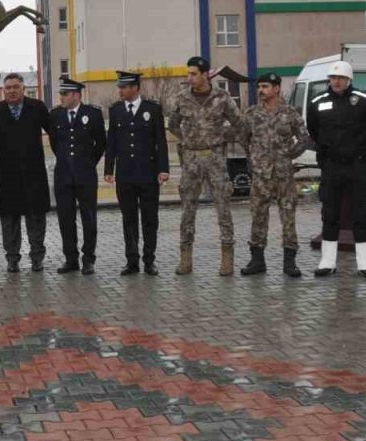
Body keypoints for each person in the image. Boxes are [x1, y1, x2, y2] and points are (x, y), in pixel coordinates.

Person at [166, 56, 244, 276]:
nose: (189, 77)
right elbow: (172, 124)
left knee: (223, 208)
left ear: (205, 75)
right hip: (191, 162)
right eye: (188, 73)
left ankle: (227, 258)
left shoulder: (222, 98)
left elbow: (240, 124)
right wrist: (188, 140)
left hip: (216, 161)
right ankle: (185, 259)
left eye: (193, 74)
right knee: (187, 210)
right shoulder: (181, 98)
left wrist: (221, 135)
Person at [305, 61, 366, 278]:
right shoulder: (318, 102)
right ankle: (327, 262)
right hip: (332, 166)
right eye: (333, 78)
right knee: (330, 213)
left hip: (358, 165)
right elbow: (314, 130)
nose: (336, 82)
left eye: (340, 78)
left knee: (361, 213)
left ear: (349, 79)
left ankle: (364, 263)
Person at [240, 73, 309, 278]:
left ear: (277, 89)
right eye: (259, 86)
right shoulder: (251, 114)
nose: (261, 90)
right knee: (258, 217)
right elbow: (244, 138)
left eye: (265, 86)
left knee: (288, 217)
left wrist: (289, 155)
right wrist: (254, 158)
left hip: (283, 175)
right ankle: (257, 260)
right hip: (261, 176)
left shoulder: (291, 113)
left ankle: (289, 263)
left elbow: (304, 138)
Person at [104, 70, 170, 275]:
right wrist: (109, 169)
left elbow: (160, 141)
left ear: (135, 88)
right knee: (129, 219)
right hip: (125, 175)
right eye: (119, 87)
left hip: (148, 174)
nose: (120, 91)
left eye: (123, 87)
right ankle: (132, 261)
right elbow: (112, 143)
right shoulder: (115, 111)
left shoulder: (152, 109)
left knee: (150, 219)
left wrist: (163, 169)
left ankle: (149, 261)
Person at [0, 72, 51, 272]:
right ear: (3, 90)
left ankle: (37, 258)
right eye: (8, 88)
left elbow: (54, 132)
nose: (12, 91)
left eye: (16, 87)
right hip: (8, 176)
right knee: (9, 221)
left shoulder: (37, 107)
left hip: (33, 174)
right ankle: (12, 259)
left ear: (23, 88)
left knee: (36, 219)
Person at [47, 76, 105, 275]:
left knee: (89, 218)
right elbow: (55, 143)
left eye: (65, 94)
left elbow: (101, 143)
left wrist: (88, 163)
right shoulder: (56, 115)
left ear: (76, 95)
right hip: (63, 176)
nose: (62, 97)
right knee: (65, 218)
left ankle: (88, 259)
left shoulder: (93, 114)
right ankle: (70, 258)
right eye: (61, 94)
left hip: (86, 175)